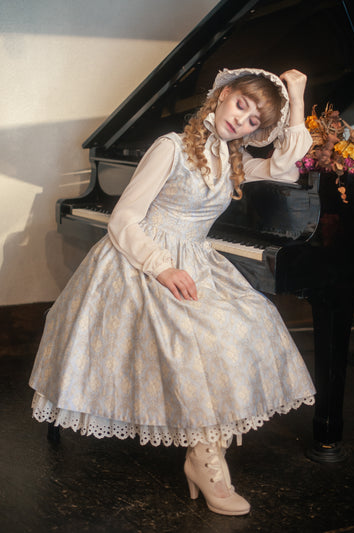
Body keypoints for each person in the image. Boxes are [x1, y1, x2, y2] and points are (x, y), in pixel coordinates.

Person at [30, 67, 316, 516]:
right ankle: (207, 461)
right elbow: (124, 218)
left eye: (253, 121)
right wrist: (162, 268)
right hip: (144, 259)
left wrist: (296, 100)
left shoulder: (233, 158)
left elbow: (285, 167)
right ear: (223, 94)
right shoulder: (171, 147)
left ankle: (205, 452)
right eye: (241, 105)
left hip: (197, 260)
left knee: (251, 323)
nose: (241, 120)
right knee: (196, 339)